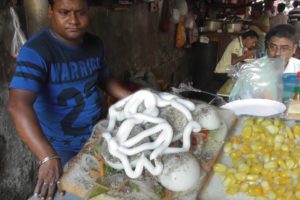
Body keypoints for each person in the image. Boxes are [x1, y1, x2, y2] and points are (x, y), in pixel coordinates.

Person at [7, 0, 131, 199]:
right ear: (50, 11)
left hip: (97, 137)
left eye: (80, 13)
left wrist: (140, 99)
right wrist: (47, 156)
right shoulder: (36, 51)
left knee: (112, 189)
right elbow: (18, 105)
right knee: (65, 194)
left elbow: (105, 79)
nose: (73, 20)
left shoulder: (95, 44)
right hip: (60, 147)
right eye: (64, 12)